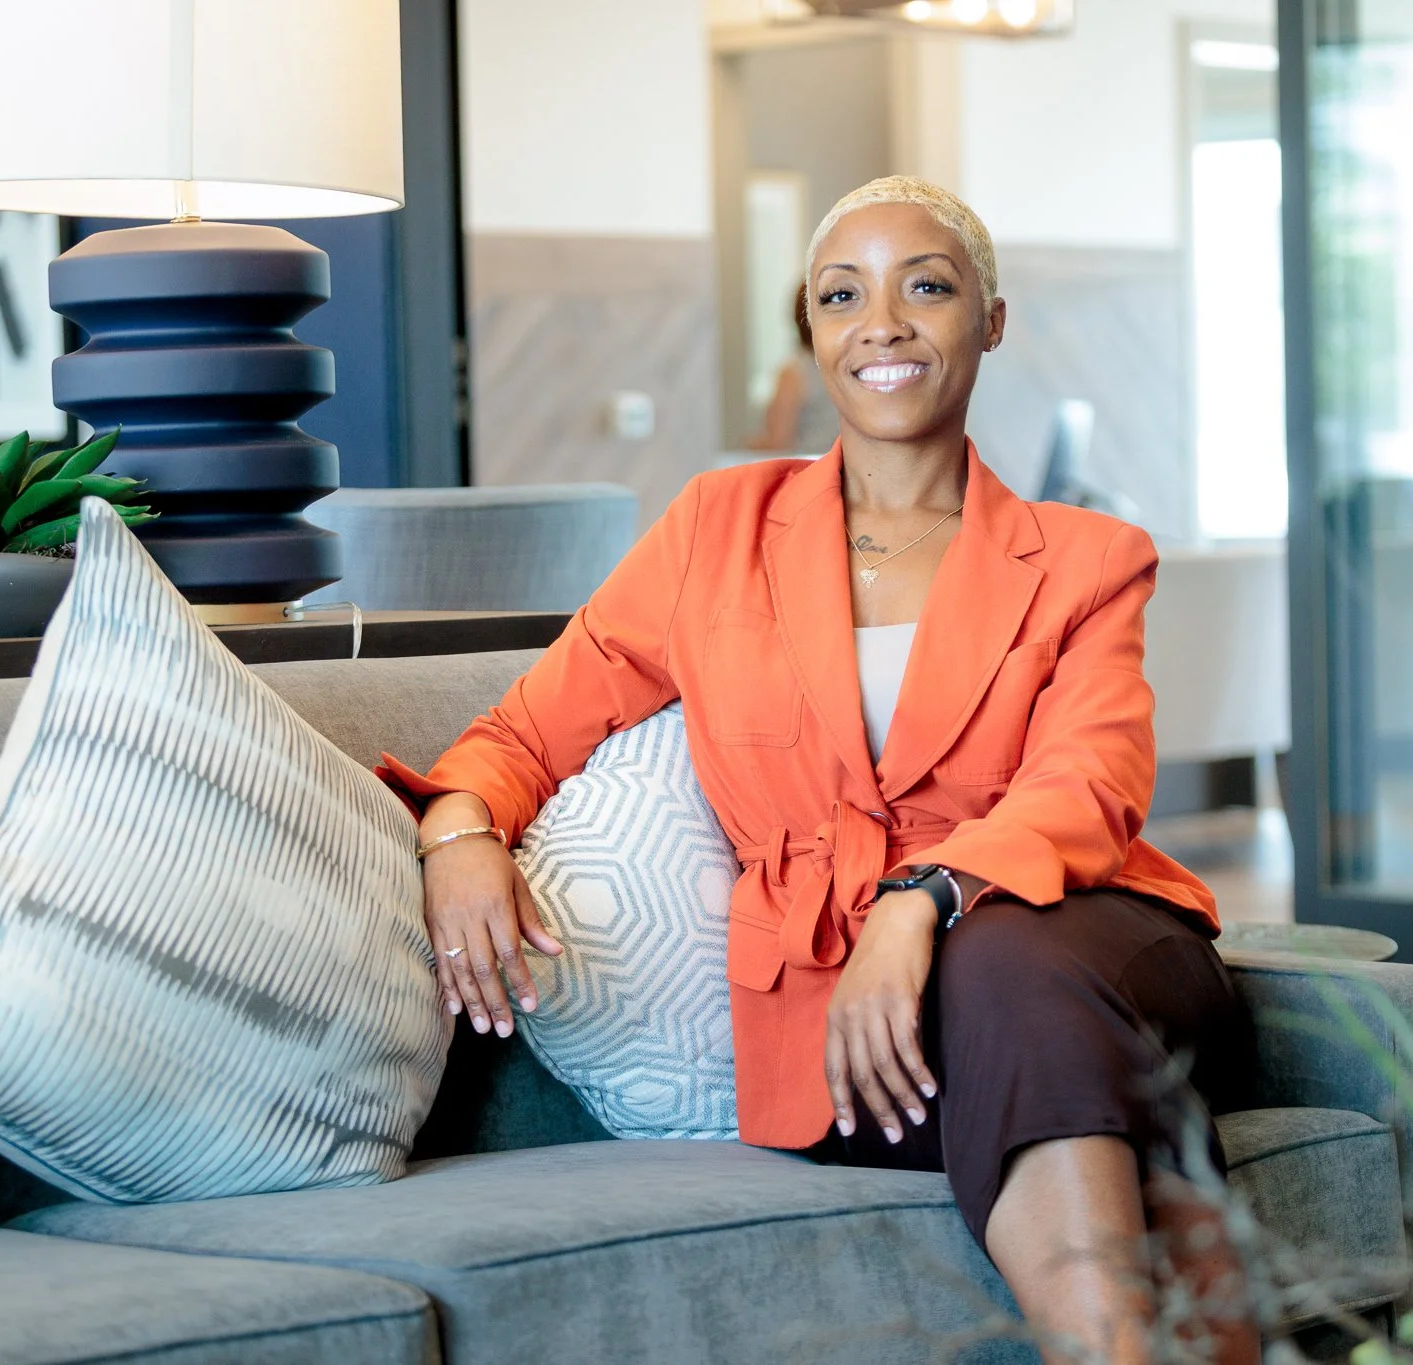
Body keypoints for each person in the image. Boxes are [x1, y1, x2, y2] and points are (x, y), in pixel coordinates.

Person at [388, 176, 1258, 1364]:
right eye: (841, 295)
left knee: (1001, 962)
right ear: (809, 328)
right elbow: (525, 733)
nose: (881, 324)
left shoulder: (1087, 558)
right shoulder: (714, 531)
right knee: (1041, 1050)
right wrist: (458, 833)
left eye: (926, 288)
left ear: (989, 320)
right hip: (841, 1022)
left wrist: (920, 900)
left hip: (1093, 944)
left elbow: (1087, 787)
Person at [744, 281, 844, 455]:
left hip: (807, 467)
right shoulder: (849, 367)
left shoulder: (795, 373)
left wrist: (750, 445)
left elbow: (778, 444)